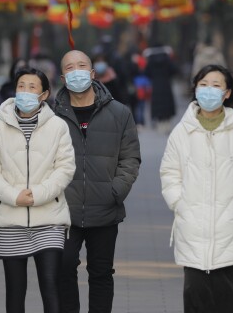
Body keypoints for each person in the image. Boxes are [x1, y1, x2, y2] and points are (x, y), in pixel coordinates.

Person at [159, 64, 233, 313]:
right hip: (193, 229)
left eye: (216, 86)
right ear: (195, 89)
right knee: (197, 298)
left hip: (231, 227)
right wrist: (179, 204)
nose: (209, 91)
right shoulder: (182, 132)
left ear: (227, 93)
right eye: (203, 84)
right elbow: (169, 173)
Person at [0, 67, 76, 313]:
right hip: (9, 219)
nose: (25, 91)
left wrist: (38, 194)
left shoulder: (57, 126)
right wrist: (14, 196)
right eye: (21, 86)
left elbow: (65, 168)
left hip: (49, 215)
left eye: (32, 87)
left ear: (44, 94)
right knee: (15, 290)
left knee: (50, 284)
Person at [53, 50, 141, 313]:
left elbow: (131, 157)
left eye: (82, 66)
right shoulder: (51, 115)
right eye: (70, 67)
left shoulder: (119, 112)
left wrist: (116, 190)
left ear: (92, 74)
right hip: (62, 210)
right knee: (64, 269)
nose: (76, 71)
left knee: (101, 273)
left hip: (105, 207)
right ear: (63, 76)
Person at [144, 44, 178, 132]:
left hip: (156, 85)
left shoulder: (150, 60)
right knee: (167, 104)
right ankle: (167, 124)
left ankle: (160, 125)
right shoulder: (167, 59)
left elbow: (146, 72)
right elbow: (174, 70)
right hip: (166, 84)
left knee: (157, 105)